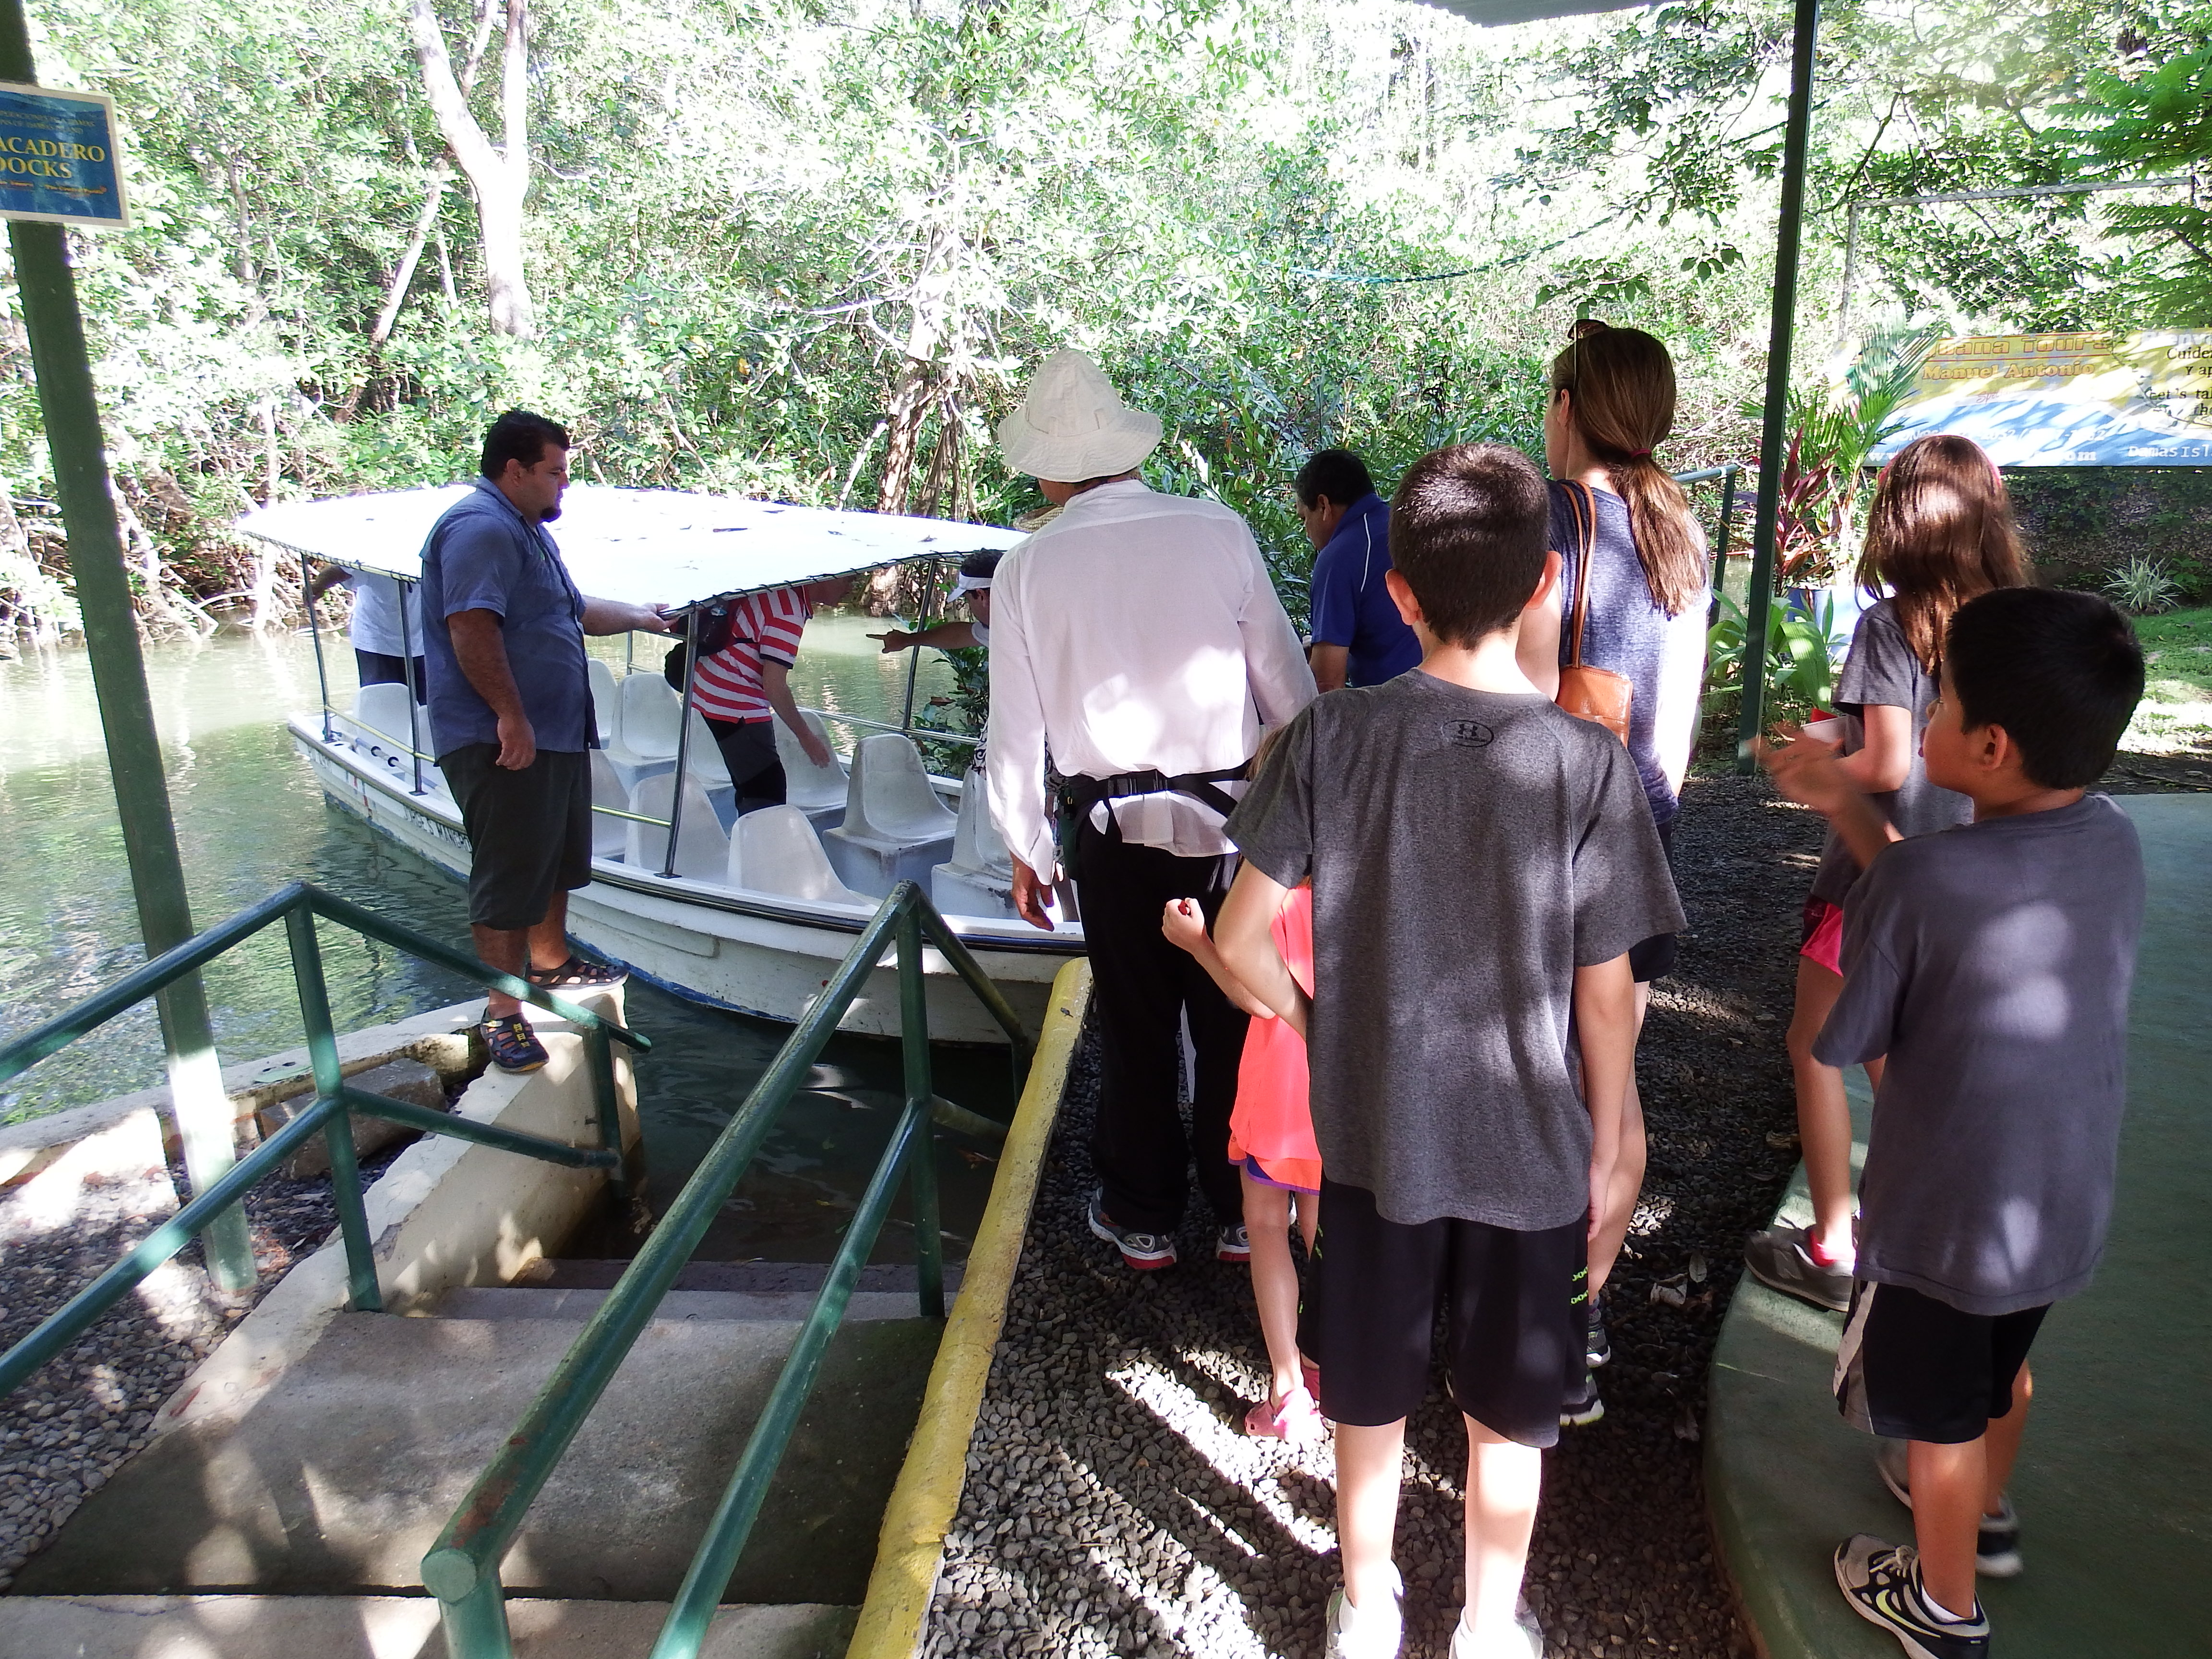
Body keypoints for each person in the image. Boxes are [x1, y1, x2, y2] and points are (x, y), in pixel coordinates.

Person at [1216, 444, 1682, 1659]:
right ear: (1544, 589)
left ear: (1398, 594)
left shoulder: (1332, 735)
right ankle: (1486, 1620)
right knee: (1509, 1414)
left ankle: (1366, 1601)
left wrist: (1323, 1031)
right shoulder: (1585, 763)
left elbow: (1237, 935)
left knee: (1365, 1391)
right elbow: (1606, 997)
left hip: (1374, 1144)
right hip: (1532, 1152)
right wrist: (1617, 1137)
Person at [1759, 587, 2145, 1659]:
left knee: (1935, 1419)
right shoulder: (2112, 841)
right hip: (2059, 1204)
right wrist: (1849, 804)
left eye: (1939, 704)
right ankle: (1984, 1516)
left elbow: (1847, 1040)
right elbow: (1947, 898)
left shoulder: (1925, 879)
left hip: (1941, 1218)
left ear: (1987, 742)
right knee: (2002, 1373)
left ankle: (1942, 1607)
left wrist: (1843, 808)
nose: (1916, 724)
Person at [986, 349, 1315, 1272]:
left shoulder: (1026, 567)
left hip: (1107, 838)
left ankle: (1141, 1213)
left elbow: (1014, 733)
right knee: (1232, 1014)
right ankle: (1233, 1203)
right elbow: (1290, 699)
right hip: (1235, 833)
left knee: (1133, 1022)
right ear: (1126, 449)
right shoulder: (1218, 531)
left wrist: (1027, 849)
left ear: (1051, 465)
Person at [1746, 435, 2031, 1314]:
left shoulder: (1889, 620)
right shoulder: (2007, 622)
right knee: (1896, 1055)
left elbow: (1886, 758)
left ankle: (1834, 1243)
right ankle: (1937, 1219)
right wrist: (1828, 735)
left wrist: (1811, 769)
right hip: (1972, 875)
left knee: (1815, 1045)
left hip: (1872, 876)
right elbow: (1882, 732)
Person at [1519, 319, 1710, 1423]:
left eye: (1551, 394)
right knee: (1612, 1091)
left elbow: (1530, 703)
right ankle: (1580, 1315)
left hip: (1557, 862)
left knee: (1550, 1100)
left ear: (1572, 407)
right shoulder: (1674, 524)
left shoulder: (1555, 521)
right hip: (1645, 847)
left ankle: (1542, 1324)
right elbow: (1671, 733)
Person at [420, 410, 673, 1074]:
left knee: (554, 858)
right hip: (502, 736)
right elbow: (471, 625)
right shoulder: (479, 528)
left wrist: (644, 616)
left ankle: (553, 961)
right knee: (509, 871)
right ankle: (504, 1014)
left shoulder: (527, 532)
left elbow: (575, 610)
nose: (564, 486)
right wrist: (510, 715)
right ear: (515, 470)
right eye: (555, 473)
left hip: (554, 733)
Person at [1160, 787, 1322, 1443]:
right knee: (1326, 1240)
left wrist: (1197, 943)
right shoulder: (1370, 892)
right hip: (1340, 1099)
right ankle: (1331, 1367)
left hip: (1278, 1093)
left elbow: (1255, 999)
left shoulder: (1273, 899)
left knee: (1264, 1226)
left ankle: (1288, 1390)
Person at [685, 577, 854, 815]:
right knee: (766, 799)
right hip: (735, 701)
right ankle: (758, 849)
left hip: (709, 686)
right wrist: (807, 738)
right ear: (828, 577)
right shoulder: (789, 611)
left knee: (752, 788)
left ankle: (751, 844)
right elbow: (775, 687)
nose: (852, 586)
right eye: (851, 578)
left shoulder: (778, 589)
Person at [1298, 448, 1419, 691]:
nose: (1306, 530)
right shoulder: (1409, 527)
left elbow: (1327, 683)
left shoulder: (1340, 557)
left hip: (1393, 708)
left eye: (1304, 518)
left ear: (1324, 506)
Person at [309, 566, 426, 702]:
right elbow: (340, 571)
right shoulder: (372, 553)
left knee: (428, 703)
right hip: (376, 638)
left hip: (422, 639)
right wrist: (317, 587)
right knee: (380, 702)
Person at [869, 548, 999, 654]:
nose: (970, 607)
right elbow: (961, 635)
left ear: (981, 596)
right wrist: (908, 640)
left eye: (968, 599)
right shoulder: (998, 628)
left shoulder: (1005, 633)